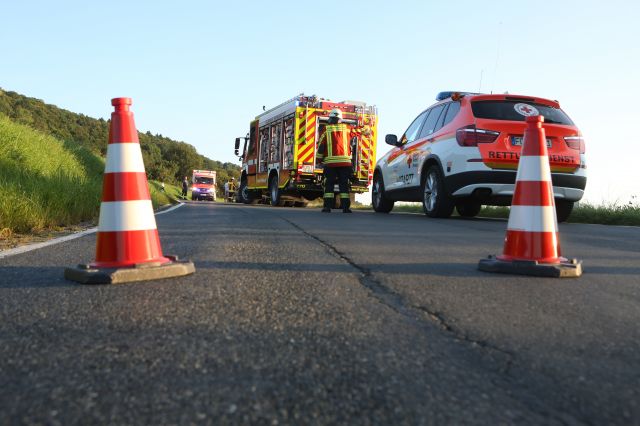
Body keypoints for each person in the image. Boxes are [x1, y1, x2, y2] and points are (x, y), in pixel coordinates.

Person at [316, 109, 354, 213]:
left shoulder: (326, 130)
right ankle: (345, 208)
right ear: (340, 119)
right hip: (345, 164)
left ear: (331, 119)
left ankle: (327, 207)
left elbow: (321, 146)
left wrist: (319, 159)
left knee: (329, 185)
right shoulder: (348, 128)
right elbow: (361, 132)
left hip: (330, 164)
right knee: (344, 186)